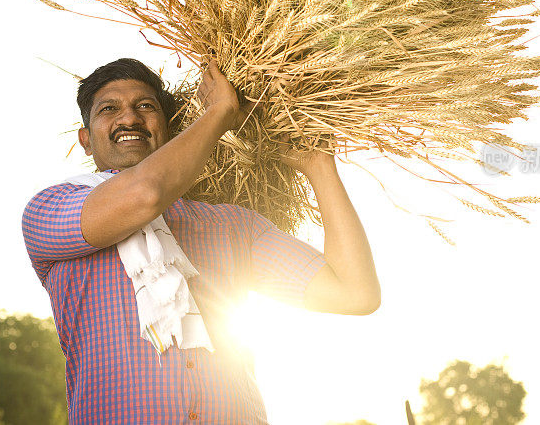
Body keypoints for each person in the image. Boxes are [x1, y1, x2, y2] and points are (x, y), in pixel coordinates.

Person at [22, 57, 380, 424]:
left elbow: (355, 293)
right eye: (109, 109)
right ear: (85, 139)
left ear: (170, 127)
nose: (129, 119)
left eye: (145, 106)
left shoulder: (231, 225)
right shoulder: (51, 209)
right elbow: (146, 194)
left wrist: (319, 164)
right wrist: (221, 113)